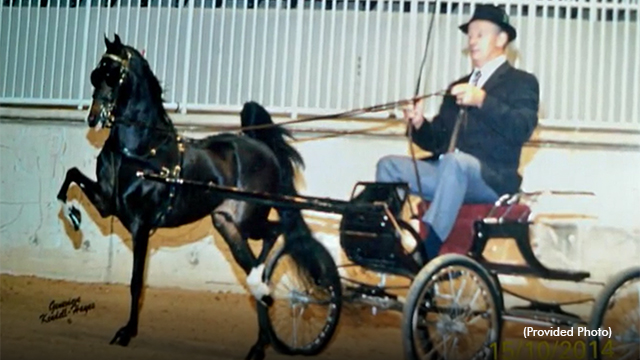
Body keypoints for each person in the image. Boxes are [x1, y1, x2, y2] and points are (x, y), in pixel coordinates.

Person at [376, 4, 540, 263]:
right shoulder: (458, 86)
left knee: (456, 163)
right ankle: (387, 243)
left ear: (501, 39)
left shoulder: (522, 82)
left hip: (491, 180)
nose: (472, 41)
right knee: (389, 166)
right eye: (470, 35)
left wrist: (483, 100)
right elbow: (439, 140)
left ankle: (429, 248)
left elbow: (521, 128)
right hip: (448, 174)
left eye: (480, 34)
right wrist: (419, 123)